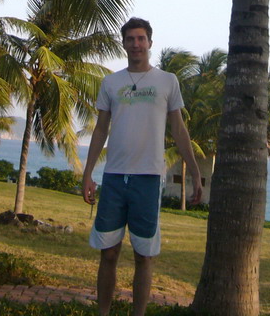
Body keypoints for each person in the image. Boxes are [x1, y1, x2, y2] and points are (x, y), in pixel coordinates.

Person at [81, 17, 202, 316]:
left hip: (148, 179)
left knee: (143, 255)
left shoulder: (167, 81)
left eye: (141, 38)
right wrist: (87, 175)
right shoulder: (111, 82)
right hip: (113, 178)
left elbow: (179, 129)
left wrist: (196, 173)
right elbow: (100, 130)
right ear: (123, 44)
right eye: (130, 39)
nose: (136, 44)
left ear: (150, 42)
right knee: (108, 253)